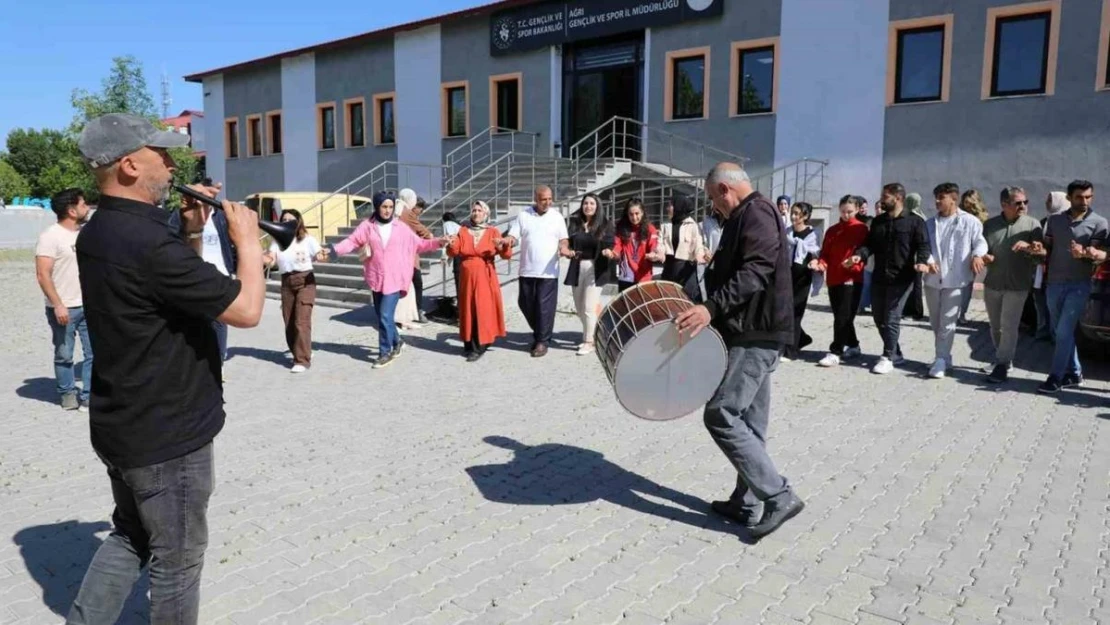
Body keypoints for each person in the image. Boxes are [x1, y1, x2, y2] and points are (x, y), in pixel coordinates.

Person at [68, 113, 265, 624]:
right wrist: (246, 238)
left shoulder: (99, 231)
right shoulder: (147, 244)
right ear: (131, 165)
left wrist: (192, 236)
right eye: (163, 154)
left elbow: (170, 295)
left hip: (125, 423)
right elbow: (245, 312)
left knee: (131, 534)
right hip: (168, 435)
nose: (174, 164)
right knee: (177, 562)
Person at [675, 162, 803, 540]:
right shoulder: (749, 214)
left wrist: (711, 307)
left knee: (721, 414)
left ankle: (779, 495)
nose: (716, 207)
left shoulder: (757, 213)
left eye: (715, 199)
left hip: (756, 332)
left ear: (726, 190)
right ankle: (745, 502)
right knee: (750, 422)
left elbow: (756, 270)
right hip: (752, 331)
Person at [327, 191, 450, 369]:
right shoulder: (367, 226)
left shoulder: (400, 228)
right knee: (383, 317)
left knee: (385, 316)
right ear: (377, 207)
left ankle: (384, 352)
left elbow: (419, 244)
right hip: (377, 278)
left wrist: (439, 242)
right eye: (384, 207)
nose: (387, 210)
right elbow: (352, 241)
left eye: (390, 207)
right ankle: (398, 342)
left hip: (395, 279)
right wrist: (334, 251)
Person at [846, 183, 930, 374]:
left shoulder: (915, 221)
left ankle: (887, 357)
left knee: (891, 317)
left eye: (885, 197)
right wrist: (860, 255)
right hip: (879, 276)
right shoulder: (879, 222)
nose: (882, 200)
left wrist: (922, 262)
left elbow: (923, 246)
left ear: (898, 198)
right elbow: (869, 245)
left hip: (902, 278)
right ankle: (897, 352)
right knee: (878, 317)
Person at [1033, 180, 1107, 394]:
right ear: (1069, 198)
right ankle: (1075, 373)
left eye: (1088, 197)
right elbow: (1047, 249)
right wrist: (1038, 249)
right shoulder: (1054, 221)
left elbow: (1099, 256)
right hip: (1054, 284)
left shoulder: (1099, 223)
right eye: (1079, 197)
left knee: (1064, 331)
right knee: (1059, 332)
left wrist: (1086, 254)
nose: (1084, 201)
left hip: (1080, 285)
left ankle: (1056, 377)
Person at [919, 182, 988, 379]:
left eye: (942, 197)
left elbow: (980, 243)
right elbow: (923, 247)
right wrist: (929, 261)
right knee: (936, 321)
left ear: (954, 199)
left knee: (948, 321)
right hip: (933, 279)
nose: (937, 201)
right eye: (937, 197)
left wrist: (977, 255)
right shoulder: (930, 224)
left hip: (956, 279)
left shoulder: (970, 221)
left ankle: (940, 359)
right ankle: (944, 356)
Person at [35, 187, 93, 411]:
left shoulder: (85, 233)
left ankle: (88, 395)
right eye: (83, 204)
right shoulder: (50, 236)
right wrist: (58, 304)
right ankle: (67, 393)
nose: (86, 207)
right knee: (64, 354)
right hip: (63, 308)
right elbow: (42, 274)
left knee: (94, 353)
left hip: (88, 305)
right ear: (71, 210)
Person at [980, 186, 1042, 384]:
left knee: (1009, 326)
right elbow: (981, 249)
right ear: (1004, 204)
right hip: (992, 284)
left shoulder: (1033, 225)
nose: (1023, 206)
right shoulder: (989, 225)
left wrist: (1032, 248)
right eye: (1018, 203)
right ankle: (1004, 359)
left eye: (1026, 202)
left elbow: (1041, 256)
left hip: (1018, 285)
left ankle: (1002, 364)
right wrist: (984, 256)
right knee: (995, 327)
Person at [505, 185, 573, 358]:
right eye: (544, 199)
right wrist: (507, 241)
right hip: (527, 269)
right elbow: (513, 236)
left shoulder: (557, 217)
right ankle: (542, 332)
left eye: (550, 199)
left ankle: (542, 341)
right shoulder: (523, 215)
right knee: (525, 303)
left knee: (544, 308)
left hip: (548, 272)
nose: (548, 202)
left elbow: (563, 239)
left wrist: (564, 249)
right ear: (535, 198)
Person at [448, 201, 512, 361]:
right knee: (467, 308)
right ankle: (469, 344)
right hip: (467, 276)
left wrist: (502, 245)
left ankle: (480, 344)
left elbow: (506, 255)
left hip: (484, 275)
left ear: (486, 214)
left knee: (482, 308)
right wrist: (450, 243)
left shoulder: (492, 231)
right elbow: (453, 251)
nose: (476, 213)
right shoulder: (463, 230)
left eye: (479, 210)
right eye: (474, 210)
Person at [262, 209, 324, 373]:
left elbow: (319, 254)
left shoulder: (307, 239)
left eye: (291, 219)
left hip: (305, 281)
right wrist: (259, 256)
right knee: (289, 321)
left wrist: (322, 255)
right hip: (287, 282)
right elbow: (271, 259)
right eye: (284, 220)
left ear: (298, 222)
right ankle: (299, 350)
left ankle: (302, 360)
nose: (287, 222)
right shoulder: (277, 241)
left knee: (301, 321)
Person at [812, 195, 869, 367]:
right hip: (834, 279)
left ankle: (836, 351)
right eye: (843, 211)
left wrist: (855, 262)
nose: (846, 215)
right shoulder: (832, 230)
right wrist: (821, 263)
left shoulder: (861, 229)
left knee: (843, 317)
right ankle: (854, 345)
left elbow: (864, 252)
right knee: (841, 316)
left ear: (858, 210)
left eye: (850, 212)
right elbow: (826, 253)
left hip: (852, 279)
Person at [564, 193, 614, 355]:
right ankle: (598, 332)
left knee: (588, 307)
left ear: (597, 206)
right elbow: (568, 243)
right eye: (586, 203)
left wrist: (609, 251)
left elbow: (610, 243)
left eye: (592, 203)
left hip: (595, 267)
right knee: (579, 308)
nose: (588, 206)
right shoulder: (575, 223)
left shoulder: (605, 225)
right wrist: (567, 251)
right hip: (577, 266)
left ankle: (589, 341)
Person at [198, 188, 238, 362]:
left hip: (221, 274)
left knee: (221, 320)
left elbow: (232, 243)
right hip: (197, 275)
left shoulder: (220, 217)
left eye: (210, 197)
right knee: (200, 320)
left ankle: (220, 358)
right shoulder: (184, 216)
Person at [784, 201, 820, 360]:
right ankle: (803, 338)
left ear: (806, 216)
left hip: (802, 279)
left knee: (795, 314)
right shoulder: (787, 233)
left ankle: (791, 351)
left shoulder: (812, 236)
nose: (793, 216)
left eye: (798, 214)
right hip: (786, 278)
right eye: (793, 212)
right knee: (785, 312)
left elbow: (815, 254)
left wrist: (815, 262)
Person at [603, 198, 662, 292]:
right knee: (624, 306)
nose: (634, 217)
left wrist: (654, 254)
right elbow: (617, 245)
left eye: (637, 213)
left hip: (644, 277)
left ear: (642, 213)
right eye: (631, 214)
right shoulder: (621, 228)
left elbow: (653, 245)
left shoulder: (650, 229)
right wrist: (612, 253)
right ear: (627, 214)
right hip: (626, 276)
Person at [1032, 191, 1069, 340]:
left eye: (1050, 200)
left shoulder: (1067, 222)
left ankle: (1056, 335)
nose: (1047, 203)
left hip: (1058, 271)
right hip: (1041, 270)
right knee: (1039, 301)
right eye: (1047, 200)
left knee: (1055, 306)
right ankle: (1042, 330)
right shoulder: (1044, 221)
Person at [658, 194, 704, 302]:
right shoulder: (665, 225)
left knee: (684, 301)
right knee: (666, 301)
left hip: (685, 270)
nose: (667, 208)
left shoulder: (693, 226)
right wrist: (659, 252)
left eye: (670, 206)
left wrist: (699, 255)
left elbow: (698, 245)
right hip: (668, 269)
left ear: (678, 207)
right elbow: (660, 244)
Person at [398, 188, 433, 323]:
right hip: (408, 256)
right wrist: (431, 237)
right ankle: (417, 311)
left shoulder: (398, 211)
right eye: (420, 208)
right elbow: (422, 230)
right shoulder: (408, 213)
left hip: (398, 255)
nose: (421, 211)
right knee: (417, 282)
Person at [956, 189, 990, 324]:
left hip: (974, 256)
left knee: (967, 286)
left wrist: (980, 255)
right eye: (965, 202)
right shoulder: (958, 216)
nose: (967, 205)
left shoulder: (982, 219)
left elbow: (983, 239)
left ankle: (961, 313)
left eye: (970, 202)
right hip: (959, 255)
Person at [902, 193, 927, 322]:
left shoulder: (918, 219)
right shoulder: (920, 217)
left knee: (915, 285)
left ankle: (916, 312)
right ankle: (908, 310)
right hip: (910, 256)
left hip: (916, 258)